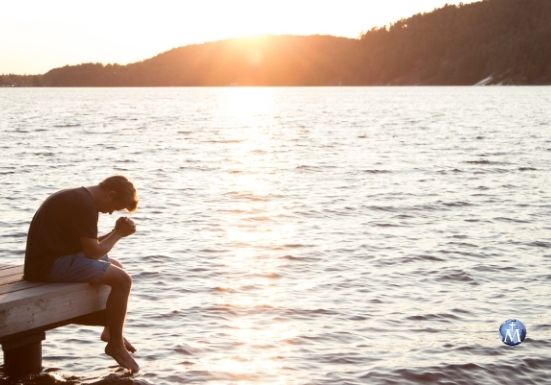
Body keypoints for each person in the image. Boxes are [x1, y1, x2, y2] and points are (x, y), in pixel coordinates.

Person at [24, 175, 140, 373]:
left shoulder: (80, 198)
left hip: (51, 259)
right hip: (47, 266)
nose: (110, 212)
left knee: (117, 267)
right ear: (110, 194)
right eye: (114, 207)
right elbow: (93, 252)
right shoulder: (85, 206)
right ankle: (115, 345)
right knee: (123, 281)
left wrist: (115, 232)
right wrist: (119, 234)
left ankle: (111, 331)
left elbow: (90, 245)